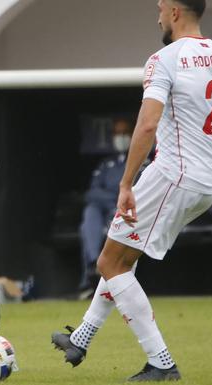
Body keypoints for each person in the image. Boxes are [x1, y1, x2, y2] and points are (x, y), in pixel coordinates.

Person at [51, 0, 212, 381]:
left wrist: (126, 183)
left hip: (171, 175)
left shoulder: (163, 59)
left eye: (158, 7)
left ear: (173, 11)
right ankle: (82, 339)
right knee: (120, 257)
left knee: (110, 262)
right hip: (206, 183)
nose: (156, 16)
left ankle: (161, 363)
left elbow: (148, 124)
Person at [78, 118, 133, 296]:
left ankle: (94, 274)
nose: (121, 137)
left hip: (127, 214)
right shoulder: (106, 164)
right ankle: (94, 265)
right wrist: (116, 199)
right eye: (117, 134)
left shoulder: (140, 161)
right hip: (108, 209)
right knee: (90, 214)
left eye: (125, 133)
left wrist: (119, 202)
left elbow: (138, 191)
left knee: (107, 220)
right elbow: (92, 193)